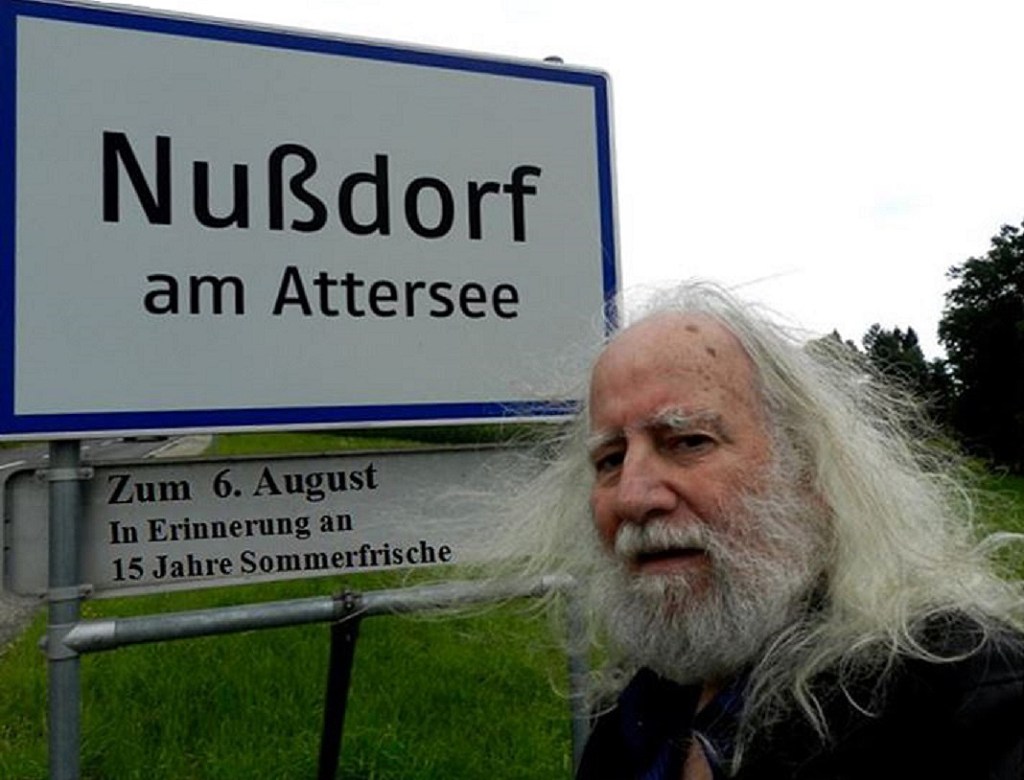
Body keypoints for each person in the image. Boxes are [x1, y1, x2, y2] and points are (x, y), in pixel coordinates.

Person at [494, 282, 1024, 779]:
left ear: (810, 470)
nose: (632, 497)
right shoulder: (632, 713)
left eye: (688, 441)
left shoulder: (971, 703)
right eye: (610, 459)